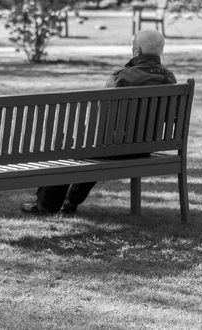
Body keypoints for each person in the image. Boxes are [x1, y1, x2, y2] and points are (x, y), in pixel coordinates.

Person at [20, 29, 177, 217]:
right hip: (145, 148)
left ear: (137, 50)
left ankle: (46, 205)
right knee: (93, 148)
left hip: (116, 147)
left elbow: (104, 119)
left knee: (71, 145)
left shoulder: (122, 78)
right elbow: (171, 116)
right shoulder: (169, 79)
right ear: (161, 51)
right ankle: (70, 203)